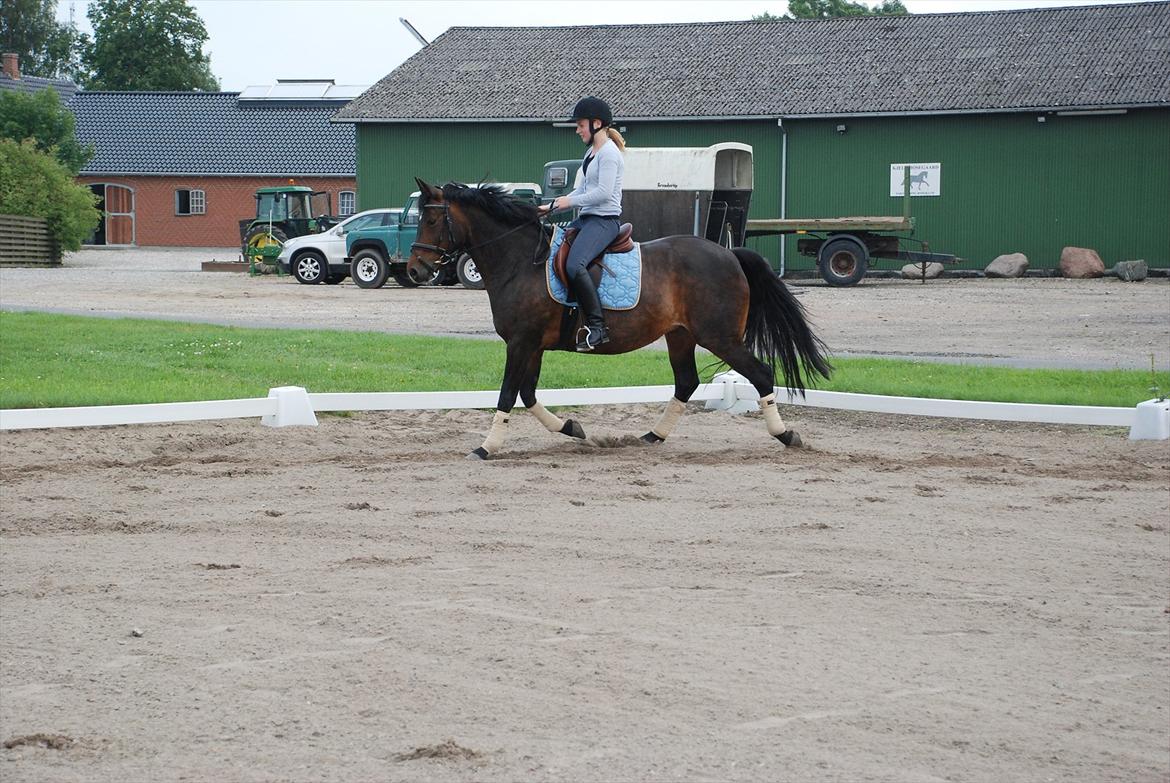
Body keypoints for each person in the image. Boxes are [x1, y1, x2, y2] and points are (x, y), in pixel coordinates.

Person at [539, 96, 626, 352]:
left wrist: (565, 202)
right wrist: (551, 206)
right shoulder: (591, 152)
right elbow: (581, 190)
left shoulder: (609, 153)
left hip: (604, 221)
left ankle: (598, 328)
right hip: (587, 218)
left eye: (580, 125)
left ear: (596, 123)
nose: (577, 130)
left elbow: (603, 193)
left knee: (575, 265)